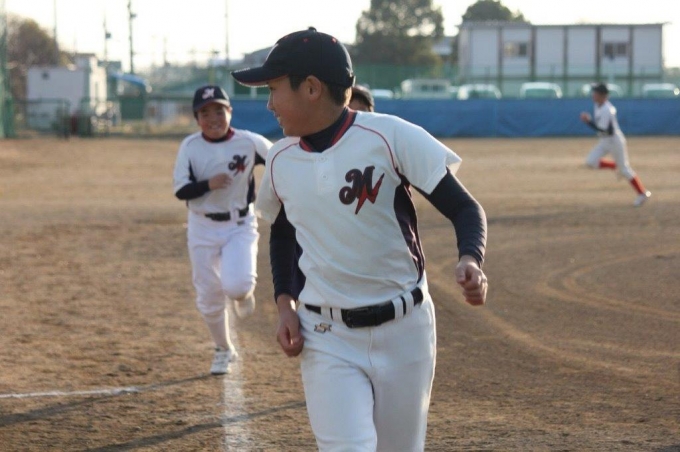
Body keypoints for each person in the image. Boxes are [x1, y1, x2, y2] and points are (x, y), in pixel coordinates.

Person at [232, 28, 488, 451]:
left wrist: (471, 258)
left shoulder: (391, 136)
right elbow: (282, 235)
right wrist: (285, 304)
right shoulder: (279, 159)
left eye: (274, 89)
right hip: (325, 333)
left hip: (406, 330)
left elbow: (464, 208)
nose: (269, 103)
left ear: (311, 88)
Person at [173, 85, 272, 375]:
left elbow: (281, 160)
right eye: (205, 113)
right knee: (208, 296)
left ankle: (242, 294)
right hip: (202, 225)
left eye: (219, 111)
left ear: (230, 112)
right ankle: (223, 348)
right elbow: (181, 190)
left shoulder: (249, 142)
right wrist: (208, 184)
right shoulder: (190, 146)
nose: (213, 118)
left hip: (239, 223)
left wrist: (274, 193)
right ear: (196, 118)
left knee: (237, 286)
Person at [580, 82, 651, 207]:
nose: (593, 94)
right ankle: (615, 166)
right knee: (591, 161)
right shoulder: (597, 105)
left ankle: (642, 193)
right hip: (604, 141)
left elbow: (604, 131)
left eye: (595, 92)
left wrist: (588, 122)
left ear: (602, 95)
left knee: (625, 169)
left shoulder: (608, 110)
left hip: (614, 141)